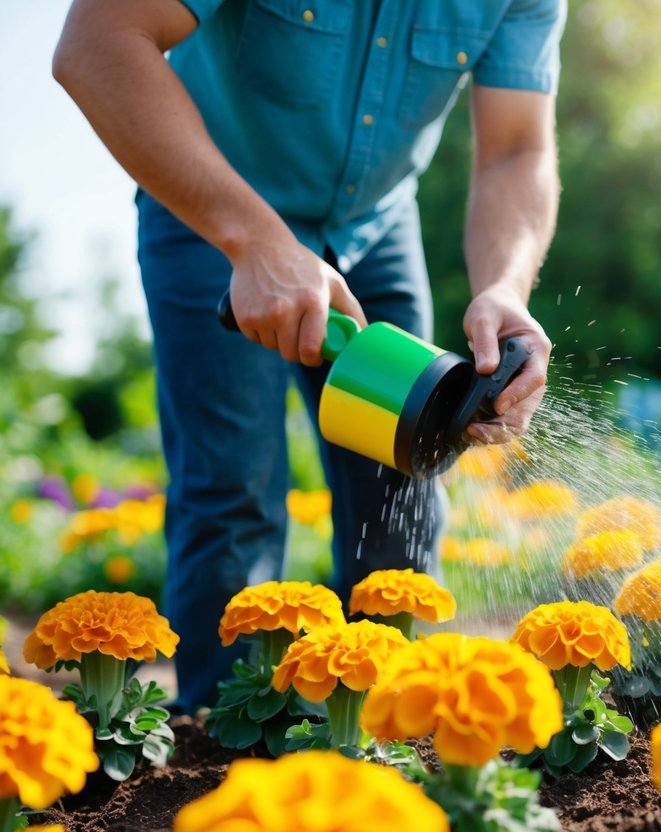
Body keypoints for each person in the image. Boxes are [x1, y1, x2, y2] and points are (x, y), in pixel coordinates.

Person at [52, 0, 564, 712]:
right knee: (234, 494)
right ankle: (231, 750)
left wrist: (505, 285)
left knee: (403, 480)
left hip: (373, 223)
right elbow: (97, 46)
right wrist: (255, 242)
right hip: (212, 204)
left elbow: (517, 148)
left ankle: (382, 733)